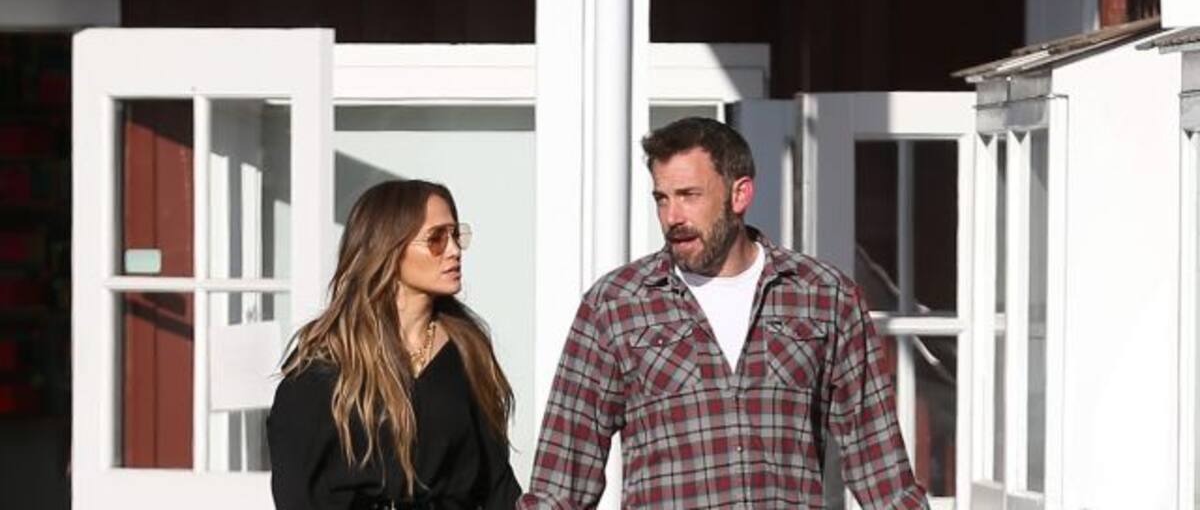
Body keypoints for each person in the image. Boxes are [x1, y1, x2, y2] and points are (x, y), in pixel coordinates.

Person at [520, 117, 928, 509]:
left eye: (689, 195)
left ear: (740, 194)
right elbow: (561, 480)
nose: (672, 217)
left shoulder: (824, 296)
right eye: (662, 198)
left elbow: (882, 470)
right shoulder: (615, 304)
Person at [268, 179, 521, 510]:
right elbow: (297, 490)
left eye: (456, 235)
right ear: (389, 247)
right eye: (436, 238)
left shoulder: (467, 351)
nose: (454, 250)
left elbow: (497, 484)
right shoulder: (327, 362)